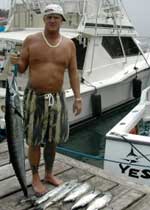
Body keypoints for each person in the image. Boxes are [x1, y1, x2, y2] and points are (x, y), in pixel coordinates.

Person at [10, 4, 82, 196]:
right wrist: (16, 61)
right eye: (49, 17)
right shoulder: (30, 41)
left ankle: (49, 174)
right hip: (34, 97)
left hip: (57, 98)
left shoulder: (69, 44)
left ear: (61, 20)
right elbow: (23, 68)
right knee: (34, 140)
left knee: (52, 140)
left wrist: (77, 97)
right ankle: (35, 176)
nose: (52, 20)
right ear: (44, 19)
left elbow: (73, 73)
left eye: (56, 17)